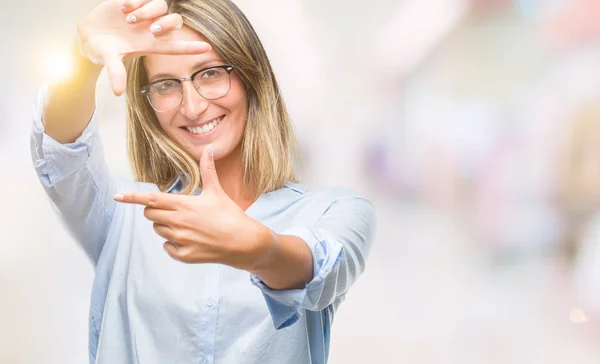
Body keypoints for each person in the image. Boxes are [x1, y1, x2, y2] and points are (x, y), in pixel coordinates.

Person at [30, 0, 376, 363]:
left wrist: (261, 248)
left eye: (210, 73)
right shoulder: (125, 215)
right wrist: (84, 61)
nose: (192, 107)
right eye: (166, 85)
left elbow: (320, 270)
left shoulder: (336, 211)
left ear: (250, 76)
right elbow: (61, 152)